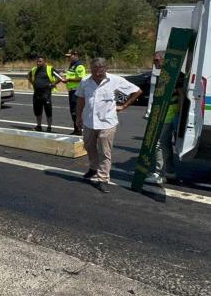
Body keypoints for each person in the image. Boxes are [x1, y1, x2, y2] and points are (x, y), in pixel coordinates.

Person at [75, 57, 142, 193]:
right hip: (89, 121)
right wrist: (78, 117)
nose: (97, 75)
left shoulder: (115, 80)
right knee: (88, 146)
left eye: (100, 72)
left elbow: (137, 91)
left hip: (107, 122)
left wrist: (124, 106)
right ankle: (93, 168)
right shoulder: (85, 81)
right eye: (94, 72)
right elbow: (81, 99)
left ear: (106, 69)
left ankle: (103, 178)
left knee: (105, 151)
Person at [146, 52, 184, 185]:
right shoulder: (164, 74)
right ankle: (167, 172)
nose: (154, 63)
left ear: (164, 60)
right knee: (163, 144)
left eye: (156, 60)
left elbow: (181, 95)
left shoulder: (176, 75)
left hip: (169, 115)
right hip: (163, 113)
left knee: (161, 145)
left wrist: (178, 115)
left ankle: (161, 173)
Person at [28, 56, 61, 133]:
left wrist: (52, 84)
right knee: (37, 111)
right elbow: (28, 76)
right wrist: (33, 83)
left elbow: (59, 77)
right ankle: (39, 126)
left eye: (40, 61)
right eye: (37, 61)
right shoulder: (34, 69)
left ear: (44, 62)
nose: (38, 63)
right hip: (36, 94)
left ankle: (49, 127)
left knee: (48, 111)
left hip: (46, 94)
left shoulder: (50, 69)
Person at [62, 50, 87, 135]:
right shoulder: (72, 65)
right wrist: (65, 77)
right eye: (67, 57)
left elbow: (81, 78)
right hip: (71, 90)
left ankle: (79, 130)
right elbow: (71, 75)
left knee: (76, 111)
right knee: (73, 111)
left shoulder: (79, 65)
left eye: (69, 56)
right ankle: (76, 129)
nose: (68, 58)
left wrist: (69, 79)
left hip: (77, 91)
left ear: (75, 55)